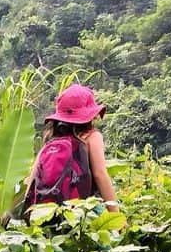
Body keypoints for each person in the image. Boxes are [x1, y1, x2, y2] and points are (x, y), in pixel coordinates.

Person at [19, 83, 120, 217]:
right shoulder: (91, 137)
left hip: (47, 214)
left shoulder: (50, 142)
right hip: (82, 212)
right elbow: (100, 175)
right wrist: (117, 217)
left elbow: (31, 181)